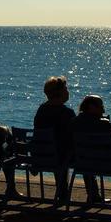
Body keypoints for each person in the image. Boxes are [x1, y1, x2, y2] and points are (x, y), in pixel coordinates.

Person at [71, 94, 111, 204]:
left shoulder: (74, 123)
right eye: (101, 106)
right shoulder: (106, 126)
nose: (104, 109)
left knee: (88, 156)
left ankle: (93, 195)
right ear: (91, 107)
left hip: (83, 163)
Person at [32, 76, 76, 204]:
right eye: (66, 89)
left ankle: (63, 193)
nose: (68, 92)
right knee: (81, 151)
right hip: (61, 156)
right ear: (60, 92)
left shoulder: (41, 110)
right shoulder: (67, 113)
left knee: (58, 148)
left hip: (42, 155)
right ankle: (93, 195)